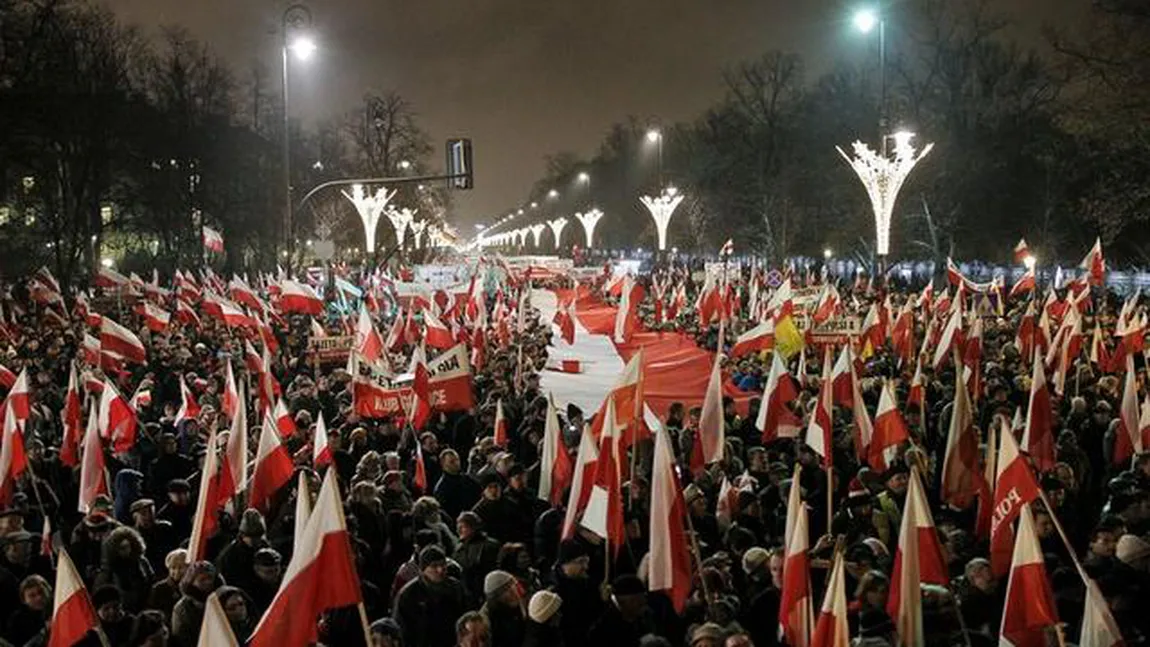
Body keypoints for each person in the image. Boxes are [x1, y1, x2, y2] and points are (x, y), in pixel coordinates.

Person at [393, 545, 469, 647]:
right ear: (423, 569)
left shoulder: (456, 589)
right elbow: (402, 632)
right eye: (434, 566)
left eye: (443, 565)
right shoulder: (409, 595)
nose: (440, 570)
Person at [95, 525, 155, 613]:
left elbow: (151, 581)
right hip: (119, 612)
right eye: (122, 548)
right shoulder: (110, 568)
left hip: (142, 608)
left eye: (128, 546)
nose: (127, 550)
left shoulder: (142, 562)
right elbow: (100, 593)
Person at [587, 574, 655, 647]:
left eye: (644, 598)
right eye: (637, 600)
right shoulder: (602, 631)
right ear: (620, 601)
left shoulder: (647, 619)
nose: (643, 602)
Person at [454, 511, 502, 604]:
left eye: (463, 527)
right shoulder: (458, 548)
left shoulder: (490, 546)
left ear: (474, 527)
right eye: (458, 527)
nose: (459, 530)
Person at [170, 560, 222, 647]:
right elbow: (182, 638)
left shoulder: (223, 597)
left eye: (210, 578)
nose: (208, 582)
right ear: (192, 582)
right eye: (202, 580)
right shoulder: (183, 608)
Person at [479, 570, 525, 647]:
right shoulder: (485, 621)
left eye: (513, 587)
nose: (515, 594)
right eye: (506, 590)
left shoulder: (519, 605)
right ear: (495, 598)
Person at [435, 449, 482, 521]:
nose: (456, 463)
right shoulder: (442, 487)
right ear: (443, 464)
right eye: (452, 462)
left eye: (457, 460)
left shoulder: (466, 478)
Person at [4, 574, 52, 646]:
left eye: (41, 592)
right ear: (24, 600)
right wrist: (43, 632)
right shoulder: (17, 621)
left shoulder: (59, 607)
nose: (39, 598)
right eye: (32, 595)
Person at [147, 548, 188, 622]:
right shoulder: (158, 588)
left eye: (181, 567)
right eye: (173, 568)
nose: (177, 571)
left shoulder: (193, 586)